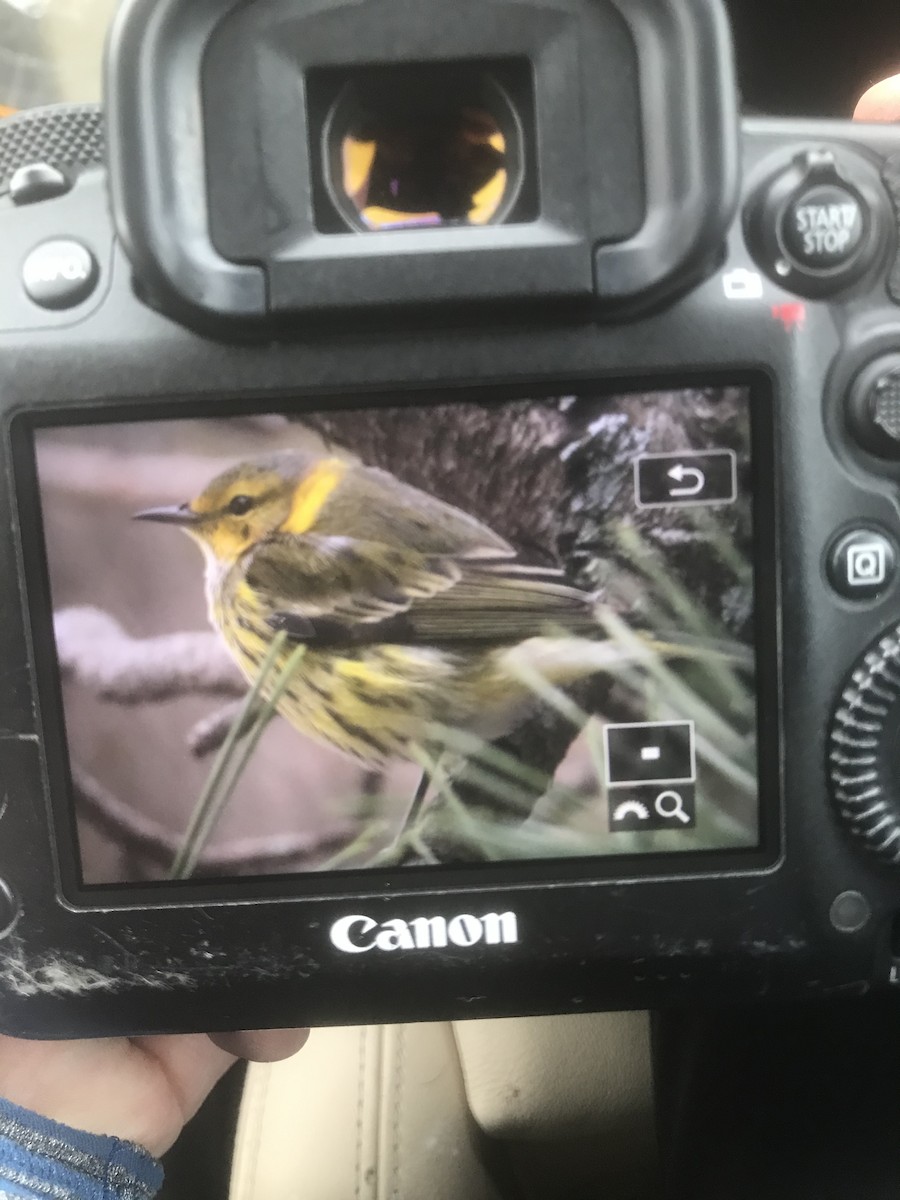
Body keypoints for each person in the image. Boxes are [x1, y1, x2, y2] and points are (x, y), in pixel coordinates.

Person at [0, 71, 897, 1200]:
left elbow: (437, 613)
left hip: (476, 654)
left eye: (228, 511)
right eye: (213, 513)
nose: (210, 526)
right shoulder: (296, 542)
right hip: (521, 630)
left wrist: (32, 1152)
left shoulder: (272, 576)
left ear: (269, 510)